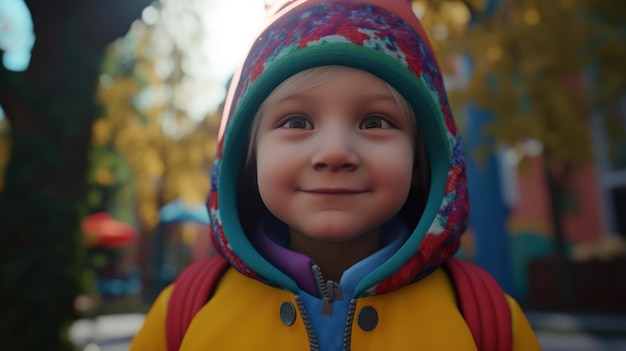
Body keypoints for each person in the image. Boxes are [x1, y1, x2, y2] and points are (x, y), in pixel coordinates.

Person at [130, 0, 541, 349]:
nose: (334, 153)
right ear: (248, 159)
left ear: (422, 161)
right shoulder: (184, 315)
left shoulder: (484, 319)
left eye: (375, 122)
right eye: (296, 122)